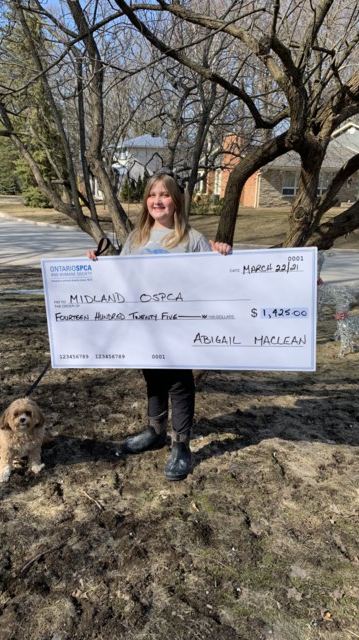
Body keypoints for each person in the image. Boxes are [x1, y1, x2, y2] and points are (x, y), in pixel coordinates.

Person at [87, 173, 231, 480]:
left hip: (179, 328)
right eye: (152, 195)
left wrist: (221, 256)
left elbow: (216, 280)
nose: (158, 201)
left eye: (164, 195)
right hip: (145, 328)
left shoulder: (192, 239)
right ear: (146, 202)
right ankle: (154, 431)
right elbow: (118, 278)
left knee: (179, 383)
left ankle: (180, 445)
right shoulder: (136, 238)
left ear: (176, 201)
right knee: (152, 376)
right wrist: (94, 267)